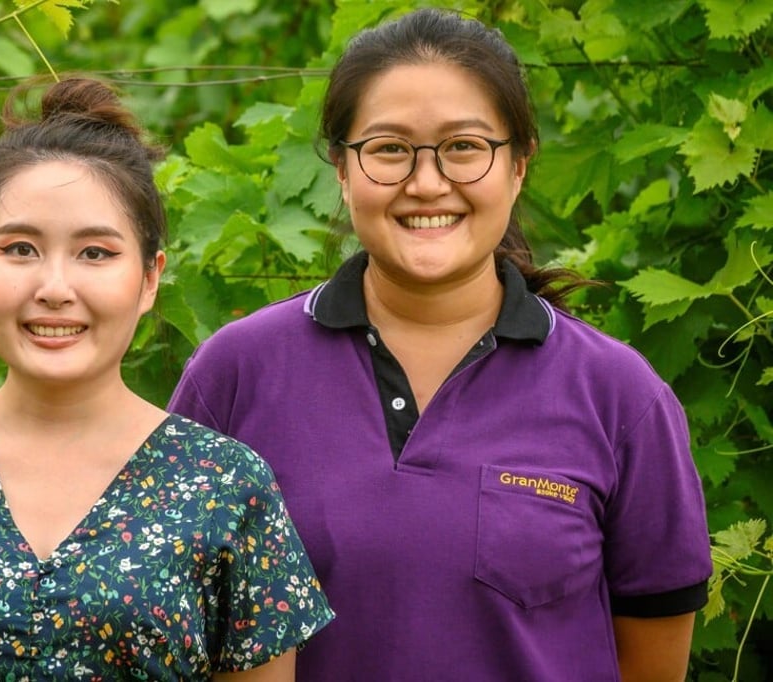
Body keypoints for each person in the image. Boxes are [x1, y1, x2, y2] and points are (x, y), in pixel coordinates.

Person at [168, 8, 712, 681]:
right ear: (341, 167)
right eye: (389, 148)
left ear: (518, 165)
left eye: (464, 147)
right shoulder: (236, 373)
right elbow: (176, 630)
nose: (427, 183)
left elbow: (651, 662)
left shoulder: (619, 397)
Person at [0, 76, 333, 681]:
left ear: (150, 279)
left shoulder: (226, 486)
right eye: (20, 249)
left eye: (95, 253)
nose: (54, 289)